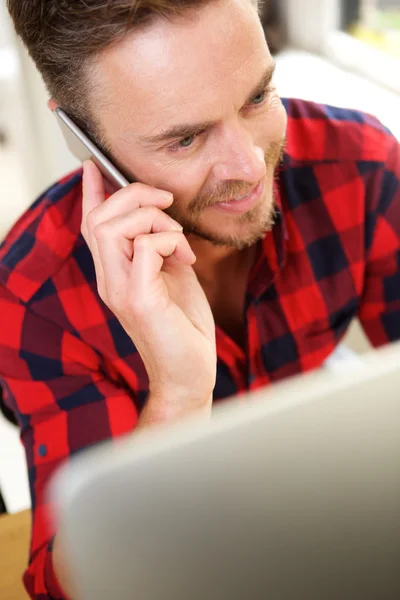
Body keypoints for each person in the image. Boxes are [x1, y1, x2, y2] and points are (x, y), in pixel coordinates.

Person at [1, 0, 399, 598]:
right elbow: (74, 586)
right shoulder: (33, 294)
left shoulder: (360, 166)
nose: (249, 166)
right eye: (185, 139)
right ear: (81, 138)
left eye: (258, 96)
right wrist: (181, 393)